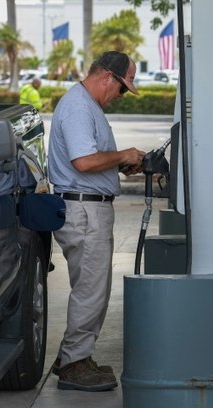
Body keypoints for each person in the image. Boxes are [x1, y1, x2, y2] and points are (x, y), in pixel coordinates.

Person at [47, 51, 145, 392]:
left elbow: (91, 159)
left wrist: (121, 163)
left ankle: (75, 355)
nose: (119, 97)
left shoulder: (87, 106)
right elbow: (84, 162)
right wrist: (123, 155)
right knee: (90, 291)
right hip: (84, 210)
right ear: (107, 77)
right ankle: (74, 365)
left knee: (93, 290)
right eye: (121, 89)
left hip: (89, 207)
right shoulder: (78, 106)